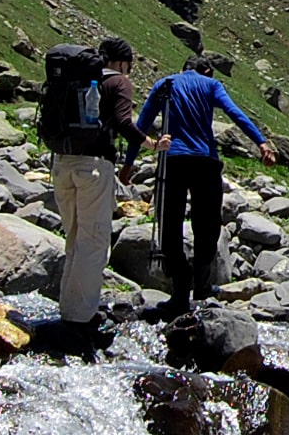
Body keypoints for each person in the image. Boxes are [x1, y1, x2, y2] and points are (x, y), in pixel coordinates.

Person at [138, 54, 276, 316]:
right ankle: (201, 286)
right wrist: (261, 142)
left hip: (173, 162)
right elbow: (235, 113)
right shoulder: (211, 85)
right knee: (207, 225)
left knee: (170, 224)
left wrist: (128, 163)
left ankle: (180, 289)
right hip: (205, 161)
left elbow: (142, 123)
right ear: (206, 70)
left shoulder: (165, 84)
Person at [45, 37, 146, 338]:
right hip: (94, 168)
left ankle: (69, 309)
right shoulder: (119, 82)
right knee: (94, 242)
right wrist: (150, 142)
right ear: (122, 62)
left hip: (62, 163)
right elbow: (123, 122)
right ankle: (80, 320)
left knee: (74, 238)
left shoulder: (76, 78)